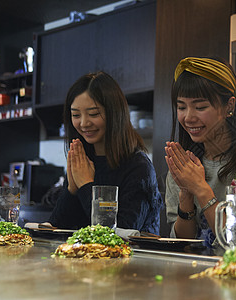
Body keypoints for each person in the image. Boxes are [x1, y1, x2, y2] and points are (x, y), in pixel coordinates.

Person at [164, 57, 236, 249]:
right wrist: (186, 196)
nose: (188, 117)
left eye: (200, 107)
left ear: (229, 106)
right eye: (181, 107)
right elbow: (182, 245)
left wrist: (201, 189)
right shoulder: (184, 163)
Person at [48, 71, 162, 234]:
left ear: (114, 113)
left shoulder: (138, 167)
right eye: (75, 115)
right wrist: (71, 190)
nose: (84, 123)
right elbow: (56, 227)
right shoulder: (83, 160)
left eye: (93, 114)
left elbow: (120, 234)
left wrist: (86, 185)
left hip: (132, 258)